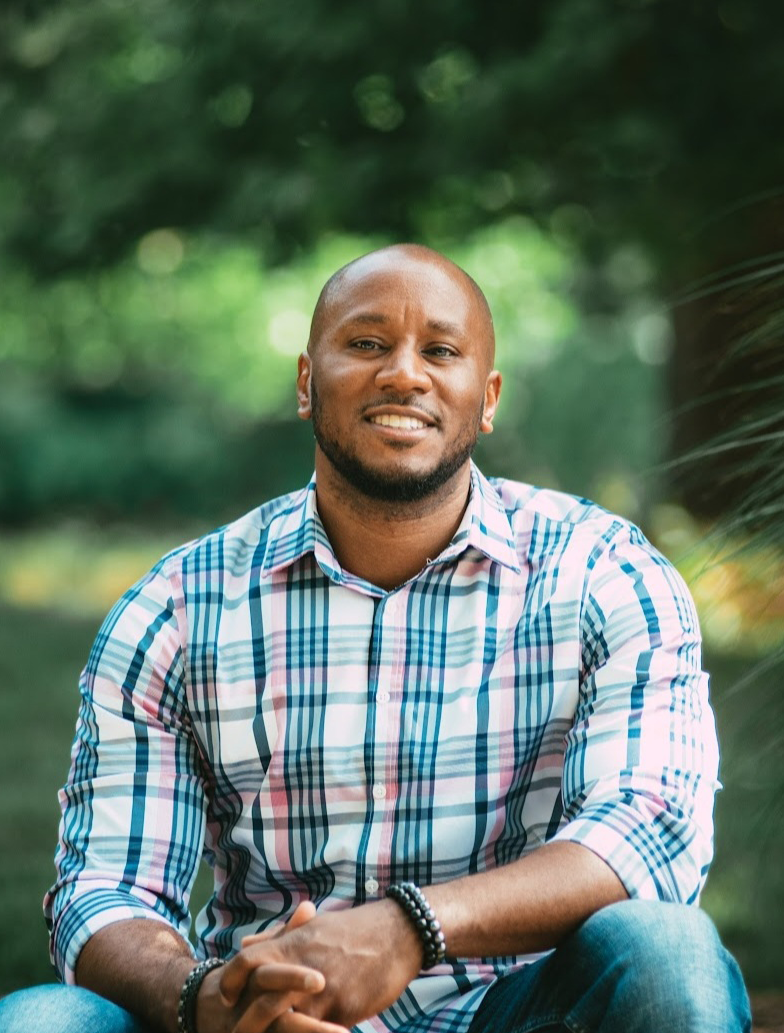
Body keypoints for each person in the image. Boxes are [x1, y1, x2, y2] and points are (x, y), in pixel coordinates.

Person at [1, 245, 751, 1033]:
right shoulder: (178, 608)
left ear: (487, 398)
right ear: (306, 382)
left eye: (442, 351)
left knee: (668, 952)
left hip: (512, 1013)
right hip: (263, 1018)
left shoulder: (605, 574)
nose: (404, 374)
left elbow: (648, 831)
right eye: (366, 343)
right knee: (42, 1021)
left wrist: (409, 925)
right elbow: (105, 890)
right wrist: (203, 997)